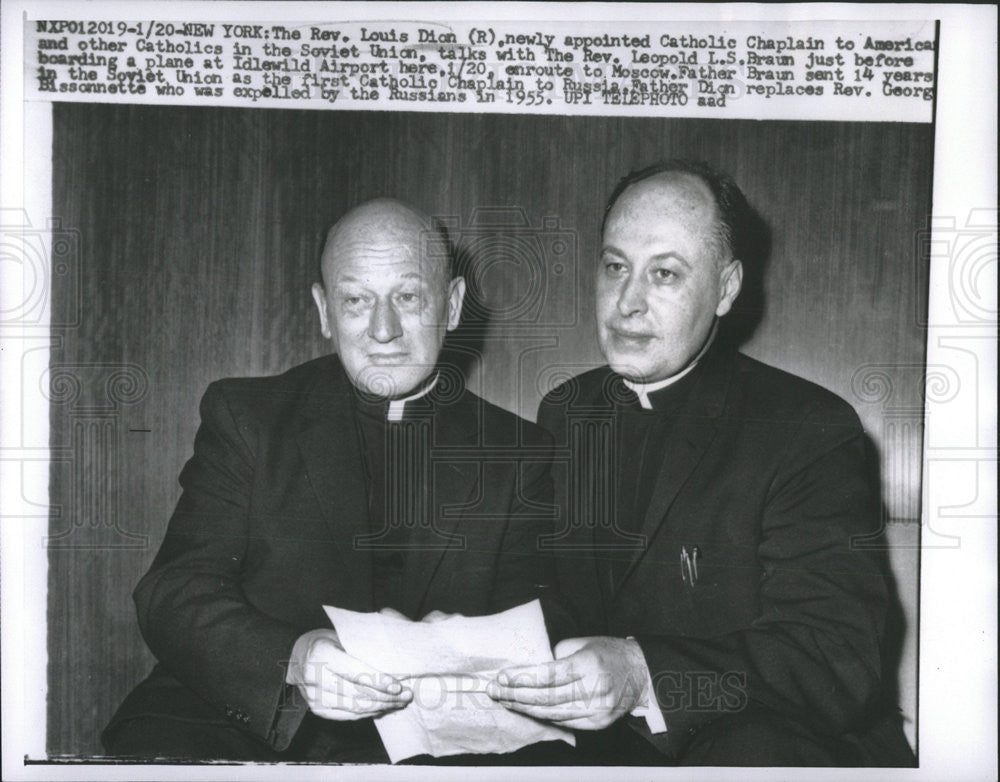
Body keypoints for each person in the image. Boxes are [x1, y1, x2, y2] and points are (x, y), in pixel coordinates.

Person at [102, 198, 575, 762]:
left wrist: (462, 643)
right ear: (325, 310)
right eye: (356, 300)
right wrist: (296, 660)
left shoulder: (519, 452)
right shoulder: (249, 416)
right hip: (236, 724)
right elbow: (173, 592)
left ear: (450, 306)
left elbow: (540, 619)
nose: (383, 329)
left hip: (440, 743)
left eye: (407, 297)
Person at [486, 161, 916, 766]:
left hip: (777, 745)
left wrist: (643, 673)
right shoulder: (566, 410)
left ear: (726, 287)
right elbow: (551, 593)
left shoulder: (808, 427)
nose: (627, 303)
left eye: (664, 273)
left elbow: (831, 662)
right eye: (615, 267)